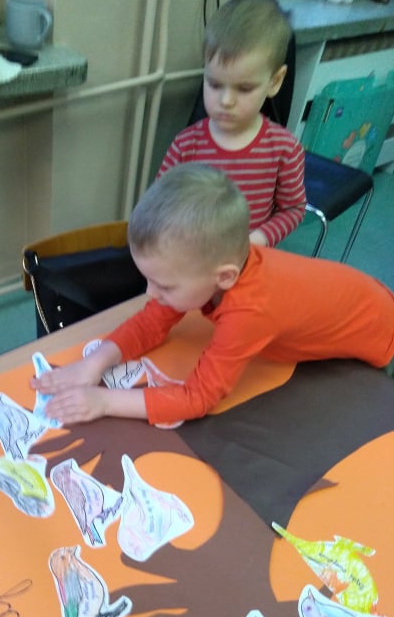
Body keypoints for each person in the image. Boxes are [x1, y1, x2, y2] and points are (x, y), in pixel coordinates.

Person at [31, 164, 394, 427]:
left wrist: (104, 401)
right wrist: (92, 365)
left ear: (224, 277)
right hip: (363, 300)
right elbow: (151, 322)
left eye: (165, 286)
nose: (150, 293)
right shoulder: (210, 267)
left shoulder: (250, 311)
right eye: (149, 279)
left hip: (380, 336)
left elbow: (198, 398)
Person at [158, 0, 306, 247]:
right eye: (214, 84)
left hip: (248, 257)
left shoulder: (284, 149)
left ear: (275, 81)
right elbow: (161, 200)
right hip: (192, 254)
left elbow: (293, 209)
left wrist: (259, 239)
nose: (226, 101)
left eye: (244, 88)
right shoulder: (185, 145)